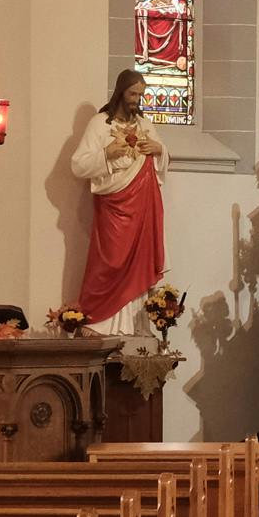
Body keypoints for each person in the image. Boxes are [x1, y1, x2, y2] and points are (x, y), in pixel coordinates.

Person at [70, 68, 168, 332]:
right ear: (120, 91)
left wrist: (159, 150)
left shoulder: (146, 125)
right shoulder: (100, 124)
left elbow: (160, 162)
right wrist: (106, 154)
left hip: (142, 206)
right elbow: (78, 166)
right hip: (113, 205)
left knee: (139, 260)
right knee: (110, 260)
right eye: (133, 93)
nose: (137, 99)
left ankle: (135, 326)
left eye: (140, 94)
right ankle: (102, 326)